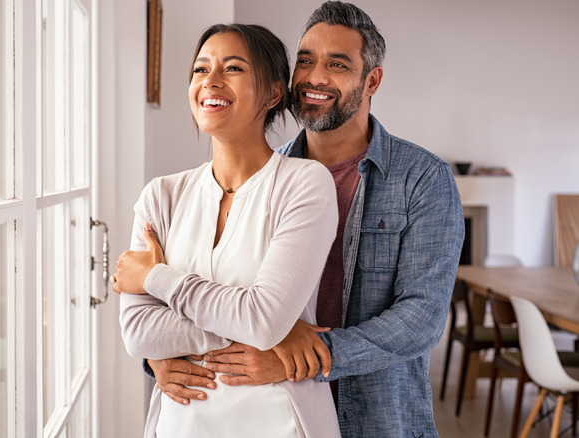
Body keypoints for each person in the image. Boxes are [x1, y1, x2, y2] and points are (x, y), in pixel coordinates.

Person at [145, 2, 465, 437]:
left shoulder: (422, 178)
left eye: (337, 64)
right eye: (305, 61)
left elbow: (422, 317)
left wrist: (311, 354)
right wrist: (157, 355)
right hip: (270, 413)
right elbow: (216, 292)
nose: (315, 78)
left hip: (378, 417)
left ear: (372, 80)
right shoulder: (262, 178)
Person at [114, 23, 341, 438]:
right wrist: (262, 325)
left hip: (280, 422)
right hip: (179, 424)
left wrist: (154, 278)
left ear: (273, 93)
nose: (210, 81)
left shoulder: (305, 183)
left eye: (232, 68)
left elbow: (265, 319)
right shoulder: (160, 196)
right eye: (201, 70)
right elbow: (138, 333)